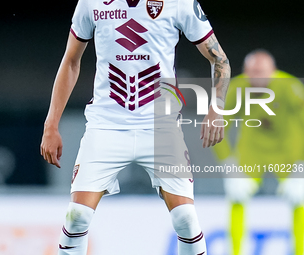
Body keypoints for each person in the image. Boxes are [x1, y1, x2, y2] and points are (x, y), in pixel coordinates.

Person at [40, 0, 230, 254]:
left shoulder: (179, 3)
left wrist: (216, 108)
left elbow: (219, 59)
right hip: (106, 125)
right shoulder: (91, 3)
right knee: (77, 216)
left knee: (185, 218)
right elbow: (71, 61)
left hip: (160, 127)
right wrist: (51, 124)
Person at [213, 49, 304, 255]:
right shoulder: (237, 88)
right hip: (251, 153)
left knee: (300, 200)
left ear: (273, 71)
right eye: (252, 72)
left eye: (262, 71)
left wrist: (301, 165)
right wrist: (229, 164)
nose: (257, 77)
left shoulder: (290, 87)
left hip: (288, 153)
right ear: (245, 72)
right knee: (236, 198)